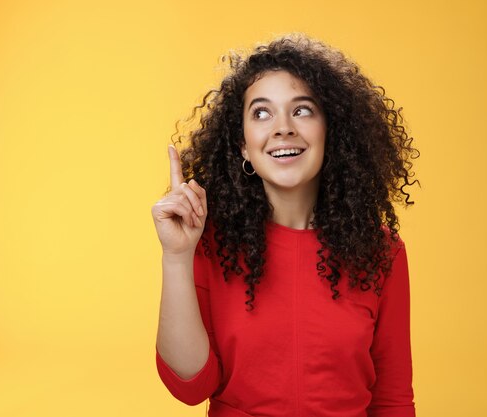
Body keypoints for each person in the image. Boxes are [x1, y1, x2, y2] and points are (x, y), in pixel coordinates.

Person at [151, 33, 419, 417]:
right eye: (261, 113)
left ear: (331, 130)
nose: (282, 128)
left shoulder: (381, 252)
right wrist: (176, 257)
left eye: (303, 110)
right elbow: (191, 387)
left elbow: (393, 400)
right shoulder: (208, 245)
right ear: (243, 144)